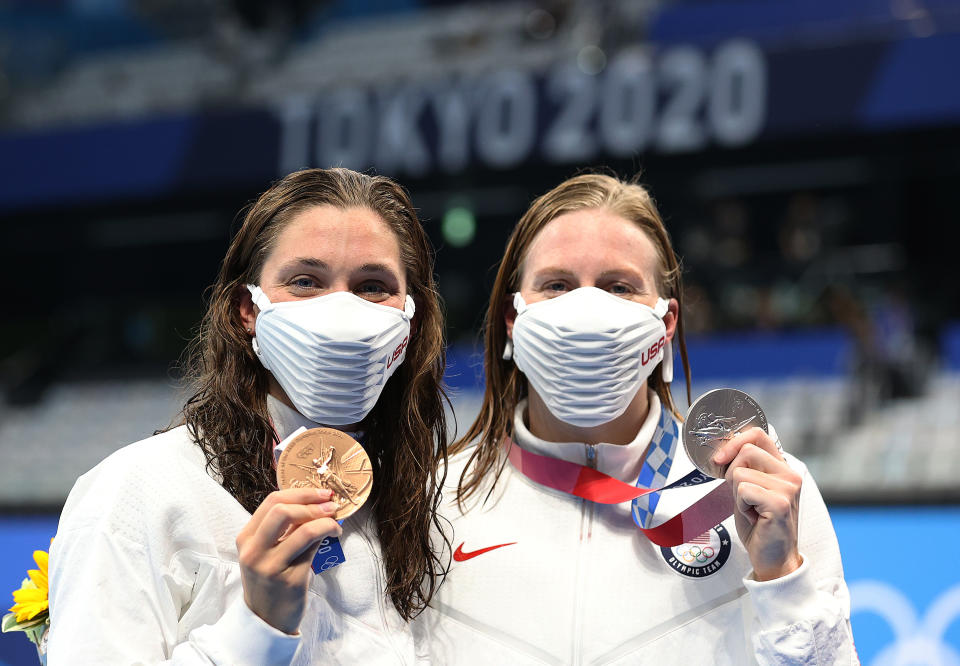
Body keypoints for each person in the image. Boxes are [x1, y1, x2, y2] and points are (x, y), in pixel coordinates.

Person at [420, 173, 856, 664]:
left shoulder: (761, 493)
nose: (585, 310)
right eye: (557, 285)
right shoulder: (435, 499)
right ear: (513, 320)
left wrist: (782, 581)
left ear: (666, 323)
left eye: (619, 287)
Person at [48, 168, 449, 664]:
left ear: (410, 319)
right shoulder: (138, 493)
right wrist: (255, 629)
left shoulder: (427, 509)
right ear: (248, 310)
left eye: (372, 287)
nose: (341, 312)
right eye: (305, 281)